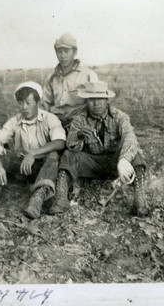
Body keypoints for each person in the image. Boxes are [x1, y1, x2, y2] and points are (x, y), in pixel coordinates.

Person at [0, 82, 66, 219]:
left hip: (43, 169)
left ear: (38, 102)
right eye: (21, 103)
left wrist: (33, 153)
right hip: (22, 166)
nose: (24, 107)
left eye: (28, 103)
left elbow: (60, 142)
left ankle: (37, 199)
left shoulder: (49, 118)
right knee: (1, 154)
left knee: (53, 154)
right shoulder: (15, 121)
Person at [50, 81, 148, 216]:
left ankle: (140, 200)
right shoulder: (79, 119)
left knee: (135, 154)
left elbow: (130, 137)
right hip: (91, 164)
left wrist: (124, 160)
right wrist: (79, 136)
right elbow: (70, 144)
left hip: (115, 164)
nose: (96, 103)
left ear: (107, 100)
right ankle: (60, 199)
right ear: (86, 101)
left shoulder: (120, 117)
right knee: (67, 155)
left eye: (100, 99)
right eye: (91, 99)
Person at [41, 33, 99, 129]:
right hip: (56, 123)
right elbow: (45, 105)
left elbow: (96, 104)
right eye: (59, 51)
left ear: (75, 52)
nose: (62, 55)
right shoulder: (52, 77)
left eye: (66, 51)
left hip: (80, 123)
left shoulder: (87, 75)